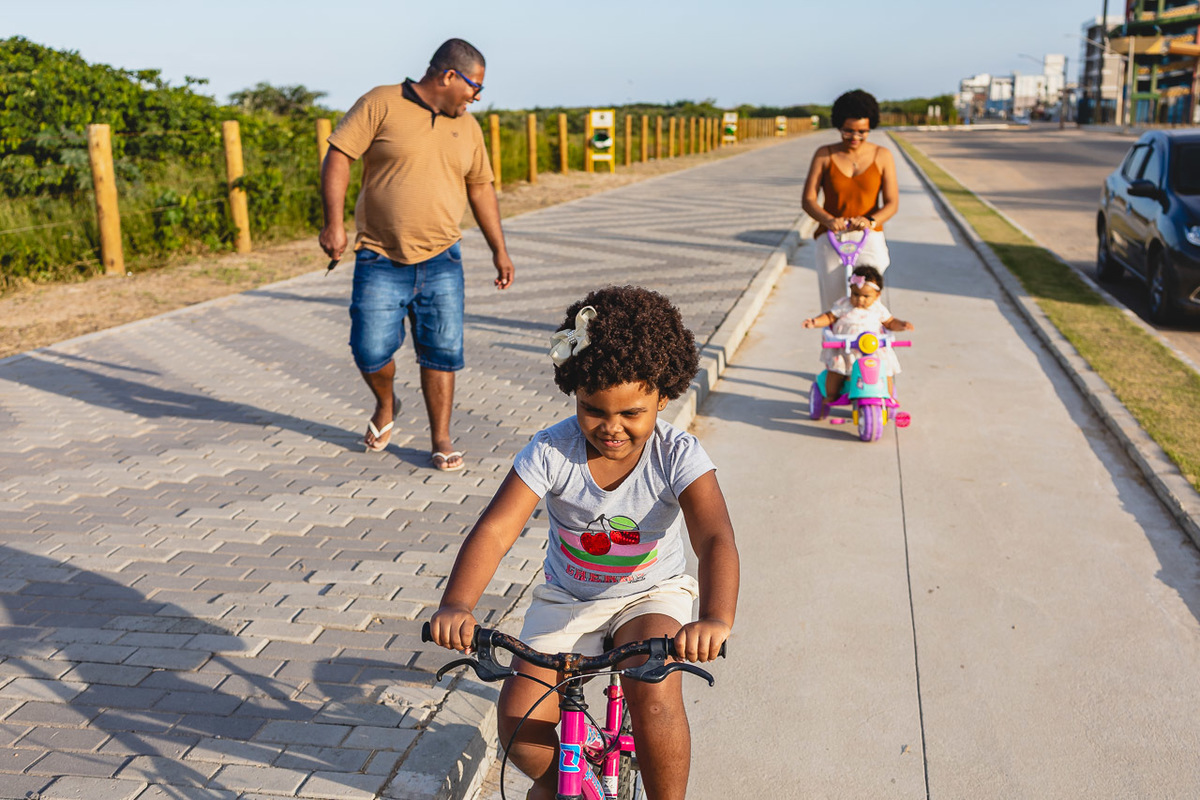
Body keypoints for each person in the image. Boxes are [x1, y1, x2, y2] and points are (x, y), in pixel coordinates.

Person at [429, 285, 740, 800]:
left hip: (649, 594)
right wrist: (457, 604)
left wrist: (715, 619)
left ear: (663, 397)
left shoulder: (677, 454)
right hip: (567, 599)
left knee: (655, 694)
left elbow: (714, 538)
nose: (611, 428)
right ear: (574, 392)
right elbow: (496, 530)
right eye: (594, 409)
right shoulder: (552, 450)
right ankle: (565, 786)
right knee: (517, 720)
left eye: (632, 413)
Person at [318, 38, 514, 472]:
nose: (476, 97)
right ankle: (386, 404)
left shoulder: (468, 126)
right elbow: (339, 155)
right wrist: (334, 222)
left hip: (443, 260)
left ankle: (440, 438)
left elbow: (480, 187)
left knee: (441, 353)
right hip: (379, 257)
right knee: (368, 350)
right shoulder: (381, 103)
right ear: (449, 76)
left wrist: (499, 249)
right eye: (473, 87)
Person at [801, 89, 900, 312]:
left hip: (869, 237)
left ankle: (869, 347)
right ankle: (836, 347)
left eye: (862, 132)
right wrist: (828, 220)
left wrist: (869, 221)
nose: (855, 137)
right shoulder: (824, 154)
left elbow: (892, 202)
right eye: (848, 131)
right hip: (832, 237)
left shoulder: (882, 155)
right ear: (838, 126)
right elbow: (808, 199)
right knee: (835, 307)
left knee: (868, 304)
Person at [802, 265, 914, 400]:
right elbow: (830, 317)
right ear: (851, 290)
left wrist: (901, 325)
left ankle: (888, 397)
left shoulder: (878, 308)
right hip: (846, 349)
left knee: (885, 370)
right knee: (836, 371)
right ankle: (831, 395)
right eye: (856, 294)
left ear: (877, 295)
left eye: (866, 296)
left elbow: (890, 322)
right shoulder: (844, 305)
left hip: (873, 349)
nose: (860, 300)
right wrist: (815, 322)